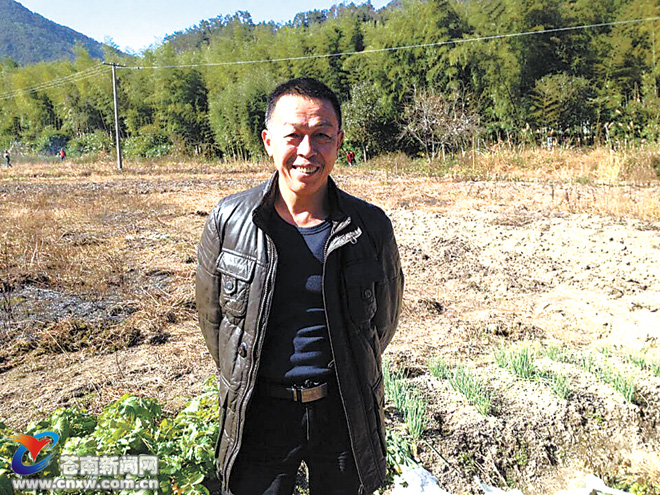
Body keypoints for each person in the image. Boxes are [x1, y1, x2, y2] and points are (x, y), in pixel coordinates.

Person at [196, 77, 404, 495]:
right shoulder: (230, 222)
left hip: (343, 412)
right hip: (260, 413)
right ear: (269, 140)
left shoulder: (370, 227)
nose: (307, 151)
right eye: (294, 135)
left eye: (322, 136)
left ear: (339, 142)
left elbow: (382, 322)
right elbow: (213, 319)